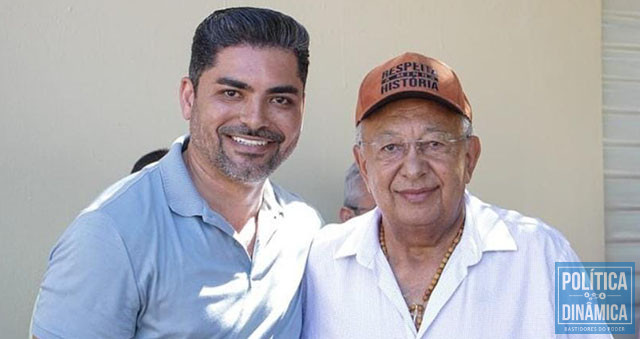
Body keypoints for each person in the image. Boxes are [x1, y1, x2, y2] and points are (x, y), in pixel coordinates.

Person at [31, 7, 322, 338]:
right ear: (189, 97)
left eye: (280, 99)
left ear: (301, 108)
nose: (254, 119)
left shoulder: (304, 228)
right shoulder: (111, 234)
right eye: (231, 93)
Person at [302, 52, 611, 338]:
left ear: (469, 157)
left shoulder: (545, 254)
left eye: (435, 143)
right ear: (364, 166)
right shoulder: (320, 262)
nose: (413, 168)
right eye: (390, 147)